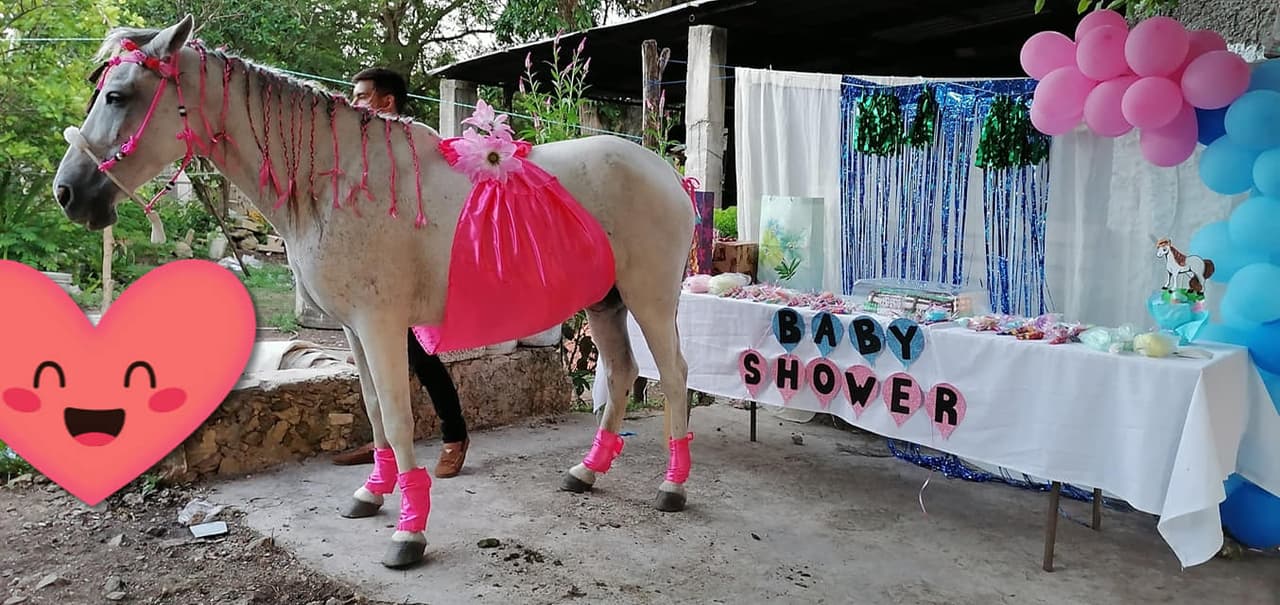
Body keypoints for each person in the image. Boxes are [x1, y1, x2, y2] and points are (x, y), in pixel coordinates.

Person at [330, 67, 470, 478]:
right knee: (378, 358)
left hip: (413, 265)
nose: (353, 104)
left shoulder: (413, 143)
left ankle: (454, 434)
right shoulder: (361, 148)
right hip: (374, 270)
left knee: (421, 356)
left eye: (360, 97)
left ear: (385, 102)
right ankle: (383, 442)